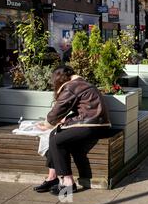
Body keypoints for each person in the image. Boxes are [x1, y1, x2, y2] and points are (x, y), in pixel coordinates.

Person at [33, 66, 111, 195]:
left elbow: (58, 110)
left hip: (91, 126)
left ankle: (68, 183)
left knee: (57, 141)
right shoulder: (82, 83)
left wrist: (47, 124)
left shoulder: (72, 86)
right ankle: (52, 178)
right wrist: (56, 125)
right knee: (54, 134)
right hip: (99, 124)